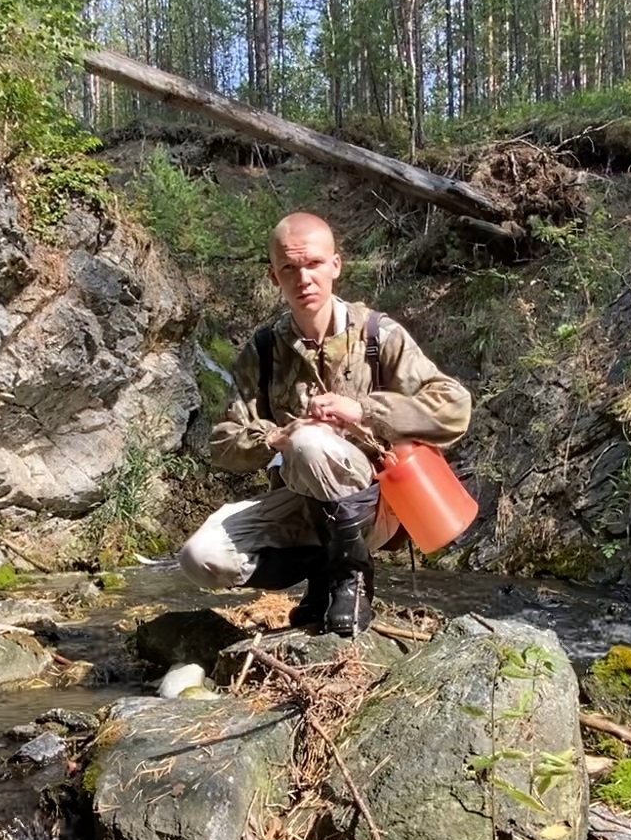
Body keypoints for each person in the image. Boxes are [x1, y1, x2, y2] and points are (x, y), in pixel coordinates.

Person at [177, 212, 472, 636]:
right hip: (301, 502)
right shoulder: (263, 350)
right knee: (200, 558)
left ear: (336, 265)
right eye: (289, 269)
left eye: (314, 264)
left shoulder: (378, 336)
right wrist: (277, 438)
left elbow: (455, 407)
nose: (304, 279)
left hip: (379, 505)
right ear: (274, 276)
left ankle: (351, 576)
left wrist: (365, 411)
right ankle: (323, 574)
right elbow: (223, 445)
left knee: (312, 443)